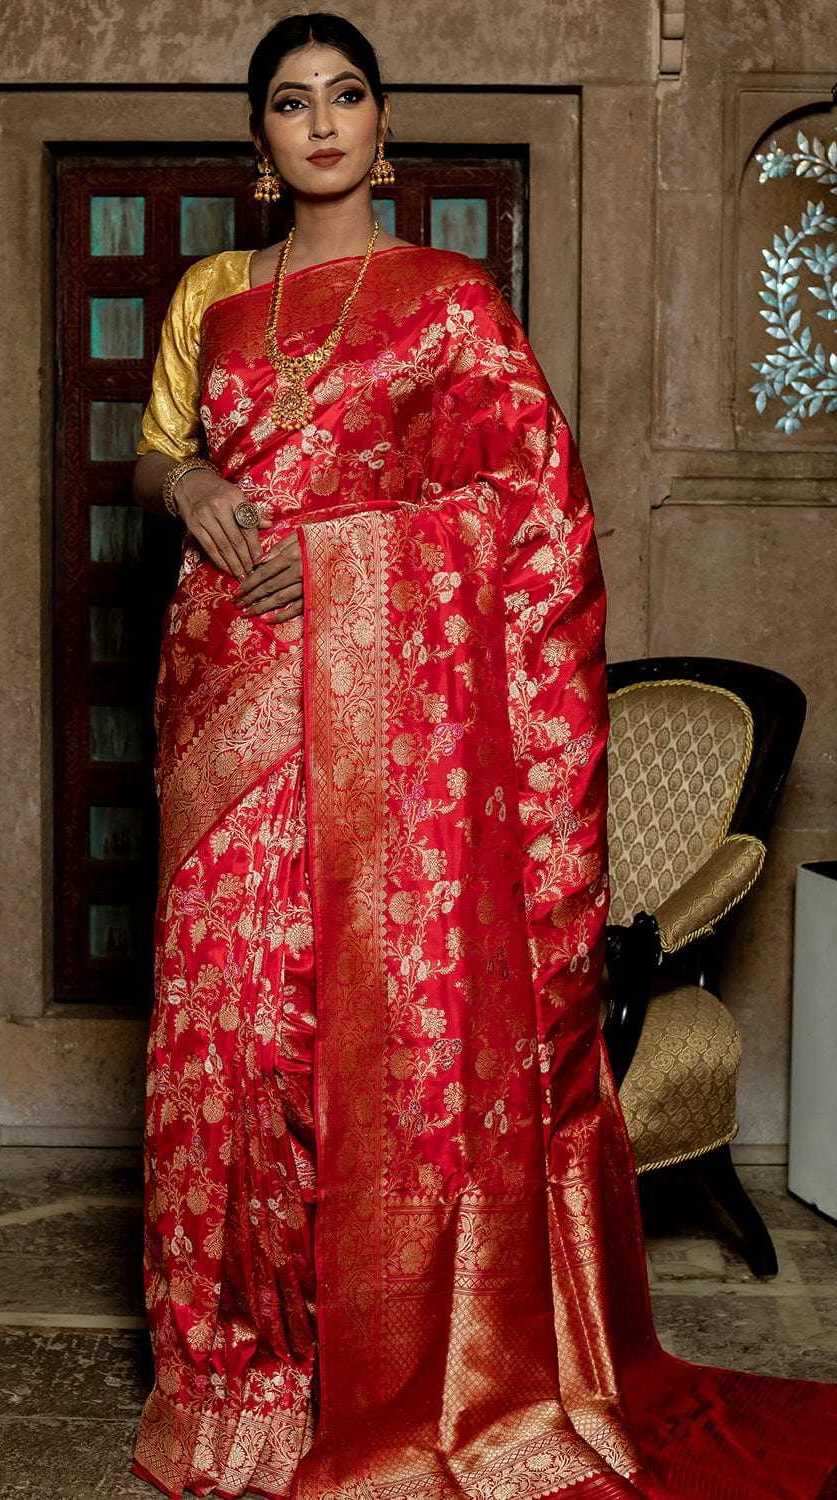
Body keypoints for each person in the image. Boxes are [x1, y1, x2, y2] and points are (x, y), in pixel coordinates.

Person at [130, 14, 837, 1499]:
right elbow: (159, 450)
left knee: (358, 1032)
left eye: (345, 96)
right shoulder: (212, 291)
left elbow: (533, 514)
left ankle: (383, 1371)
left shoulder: (450, 304)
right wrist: (187, 476)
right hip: (224, 705)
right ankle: (241, 1379)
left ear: (382, 126)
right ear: (257, 145)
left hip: (381, 733)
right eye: (288, 104)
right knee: (236, 1042)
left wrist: (344, 560)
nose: (319, 122)